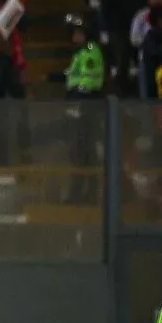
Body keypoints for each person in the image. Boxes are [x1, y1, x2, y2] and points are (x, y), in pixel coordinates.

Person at [64, 13, 105, 204]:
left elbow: (89, 80)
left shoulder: (90, 50)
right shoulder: (80, 52)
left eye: (77, 33)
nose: (74, 37)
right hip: (78, 106)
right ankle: (79, 193)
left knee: (84, 151)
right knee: (77, 152)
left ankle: (86, 194)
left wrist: (78, 96)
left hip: (86, 106)